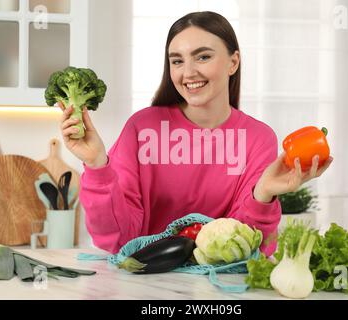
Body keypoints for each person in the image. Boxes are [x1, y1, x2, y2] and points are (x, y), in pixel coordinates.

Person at [58, 11, 332, 256]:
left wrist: (263, 194)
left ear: (233, 62)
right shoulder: (142, 128)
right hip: (144, 281)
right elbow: (118, 240)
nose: (188, 72)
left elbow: (249, 248)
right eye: (177, 61)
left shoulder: (257, 138)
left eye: (203, 56)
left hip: (220, 289)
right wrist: (97, 166)